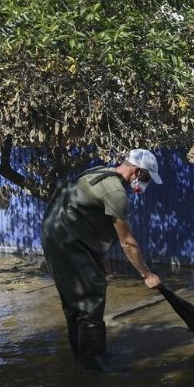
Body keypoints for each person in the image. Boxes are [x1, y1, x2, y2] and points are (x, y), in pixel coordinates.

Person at [41, 149, 163, 372]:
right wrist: (147, 275)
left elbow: (86, 217)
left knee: (73, 302)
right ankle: (95, 367)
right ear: (136, 171)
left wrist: (99, 257)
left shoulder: (99, 173)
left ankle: (80, 360)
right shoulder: (116, 193)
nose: (144, 183)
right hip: (67, 241)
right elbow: (127, 242)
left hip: (53, 236)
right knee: (91, 297)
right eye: (145, 177)